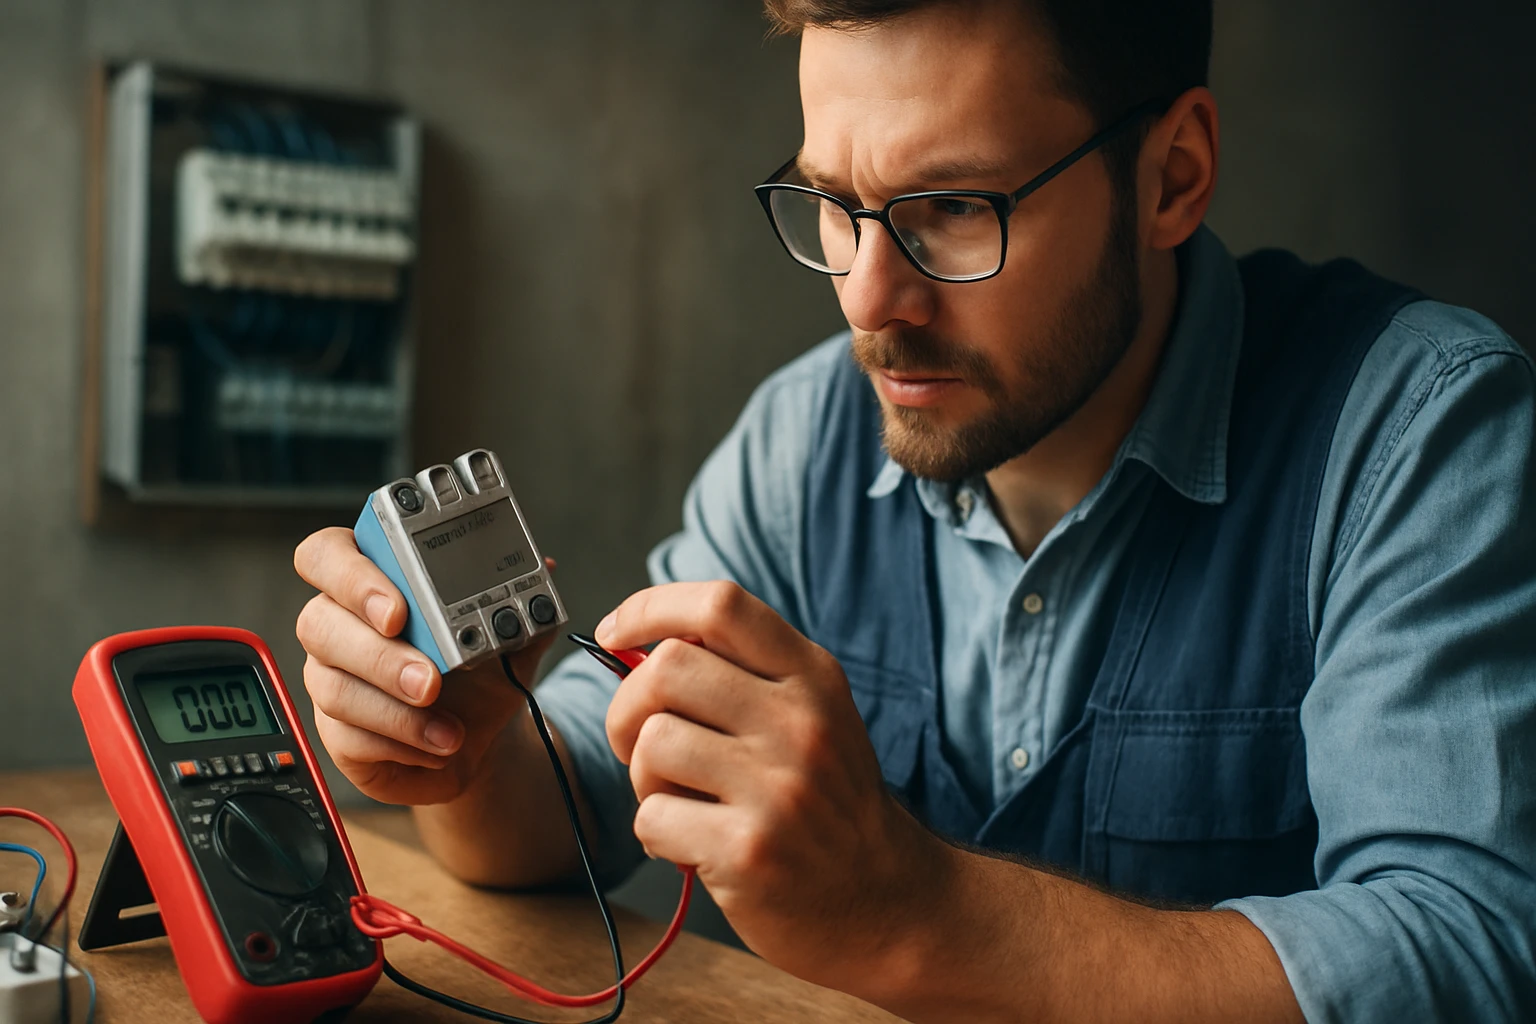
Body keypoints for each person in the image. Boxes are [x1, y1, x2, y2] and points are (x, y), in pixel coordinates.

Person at [292, 1, 1536, 1020]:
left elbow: (1471, 954)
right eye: (834, 202)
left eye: (953, 208)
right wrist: (461, 750)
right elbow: (581, 803)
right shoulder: (803, 436)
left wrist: (912, 909)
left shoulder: (1418, 429)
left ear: (1174, 176)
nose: (869, 299)